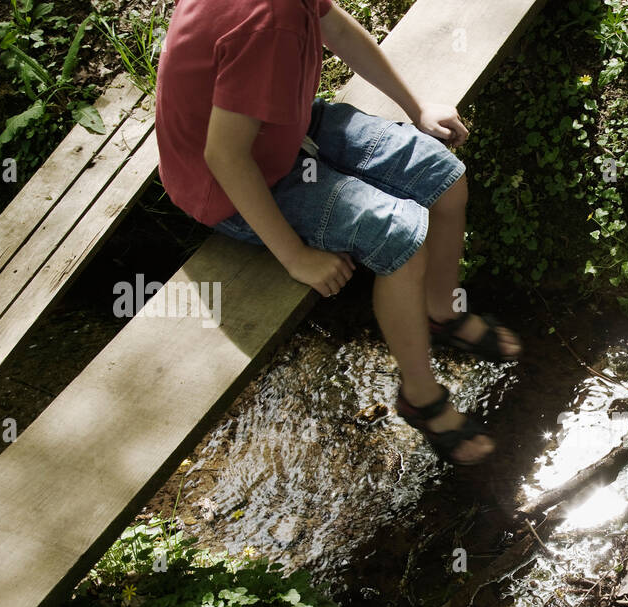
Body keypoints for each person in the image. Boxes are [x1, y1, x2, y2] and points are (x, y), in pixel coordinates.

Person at [155, 0, 521, 465]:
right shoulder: (268, 21)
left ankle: (440, 313)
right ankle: (421, 397)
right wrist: (295, 257)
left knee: (445, 177)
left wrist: (418, 106)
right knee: (400, 237)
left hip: (289, 127)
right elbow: (224, 157)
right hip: (233, 185)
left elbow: (340, 33)